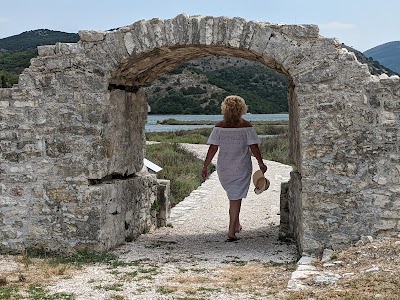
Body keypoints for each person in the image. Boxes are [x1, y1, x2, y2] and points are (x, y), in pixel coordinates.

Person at [202, 95, 267, 242]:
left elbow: (213, 148)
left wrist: (205, 166)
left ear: (224, 109)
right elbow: (254, 147)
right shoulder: (246, 126)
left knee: (233, 196)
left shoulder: (219, 127)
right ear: (242, 109)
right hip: (241, 167)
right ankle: (231, 231)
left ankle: (236, 225)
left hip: (224, 167)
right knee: (235, 197)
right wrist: (261, 163)